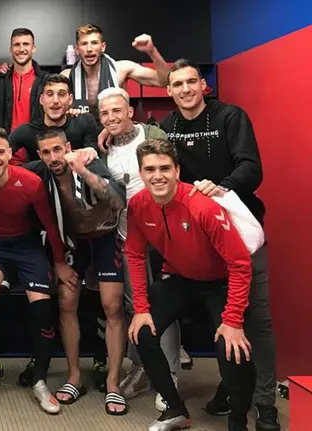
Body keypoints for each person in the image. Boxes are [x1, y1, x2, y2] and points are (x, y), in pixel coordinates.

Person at [158, 59, 279, 431]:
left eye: (191, 81)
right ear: (169, 91)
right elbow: (158, 168)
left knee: (255, 321)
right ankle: (232, 386)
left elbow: (251, 167)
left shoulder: (230, 117)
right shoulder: (167, 126)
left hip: (242, 229)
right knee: (225, 317)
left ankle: (265, 402)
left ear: (203, 85)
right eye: (177, 84)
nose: (185, 89)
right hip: (200, 236)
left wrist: (222, 185)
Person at [126, 138, 256, 431]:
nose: (157, 176)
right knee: (142, 333)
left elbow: (240, 263)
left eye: (164, 168)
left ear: (177, 170)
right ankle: (175, 410)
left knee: (231, 346)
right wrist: (141, 309)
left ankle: (238, 422)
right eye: (149, 169)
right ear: (141, 173)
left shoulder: (202, 206)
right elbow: (134, 255)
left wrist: (233, 320)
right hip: (179, 280)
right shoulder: (138, 205)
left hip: (218, 283)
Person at [0, 127, 73, 413]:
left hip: (27, 247)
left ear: (11, 154)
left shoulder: (31, 182)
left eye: (0, 152)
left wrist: (59, 262)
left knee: (43, 313)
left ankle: (40, 381)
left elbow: (50, 226)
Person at [27, 128, 128, 414]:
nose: (53, 157)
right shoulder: (40, 172)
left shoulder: (88, 162)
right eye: (45, 152)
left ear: (68, 147)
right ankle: (74, 376)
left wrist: (83, 170)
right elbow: (4, 170)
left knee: (112, 307)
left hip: (106, 238)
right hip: (73, 243)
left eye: (57, 149)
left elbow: (118, 200)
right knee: (66, 304)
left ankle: (113, 382)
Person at [96, 87, 184, 411]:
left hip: (162, 236)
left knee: (165, 308)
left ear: (130, 110)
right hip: (125, 237)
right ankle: (144, 367)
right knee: (137, 307)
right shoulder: (102, 146)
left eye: (117, 111)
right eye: (105, 114)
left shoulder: (151, 134)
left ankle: (171, 377)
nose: (111, 118)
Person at [60, 24, 171, 117]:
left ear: (103, 47)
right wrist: (67, 113)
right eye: (84, 44)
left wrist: (151, 51)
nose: (89, 49)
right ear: (77, 49)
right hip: (82, 135)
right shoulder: (67, 76)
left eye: (94, 43)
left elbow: (164, 81)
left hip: (116, 133)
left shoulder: (121, 69)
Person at [8, 73, 98, 164]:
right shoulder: (25, 132)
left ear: (70, 99)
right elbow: (0, 154)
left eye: (61, 94)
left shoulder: (84, 122)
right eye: (50, 94)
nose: (55, 100)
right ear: (41, 99)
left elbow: (92, 156)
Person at [0, 28, 49, 134]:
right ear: (11, 49)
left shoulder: (45, 81)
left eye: (26, 44)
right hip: (5, 147)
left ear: (33, 48)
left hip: (36, 148)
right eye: (17, 44)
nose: (21, 49)